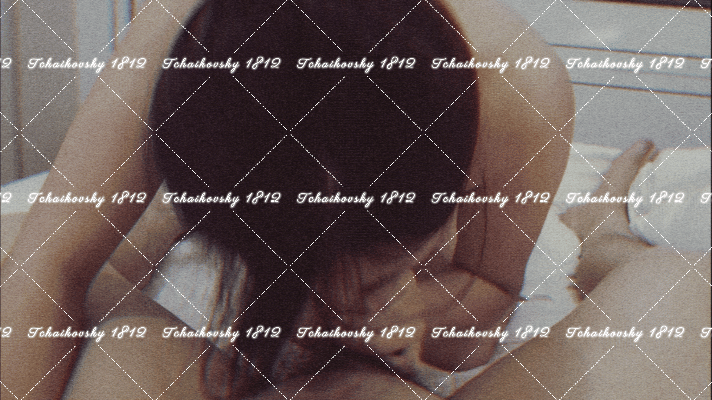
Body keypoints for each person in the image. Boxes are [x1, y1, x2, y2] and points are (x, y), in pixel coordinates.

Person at [4, 0, 706, 399]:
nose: (319, 309)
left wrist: (407, 311)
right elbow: (49, 264)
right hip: (218, 309)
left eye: (371, 272)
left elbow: (484, 300)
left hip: (369, 367)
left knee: (682, 286)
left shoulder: (515, 89)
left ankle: (599, 232)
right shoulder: (200, 36)